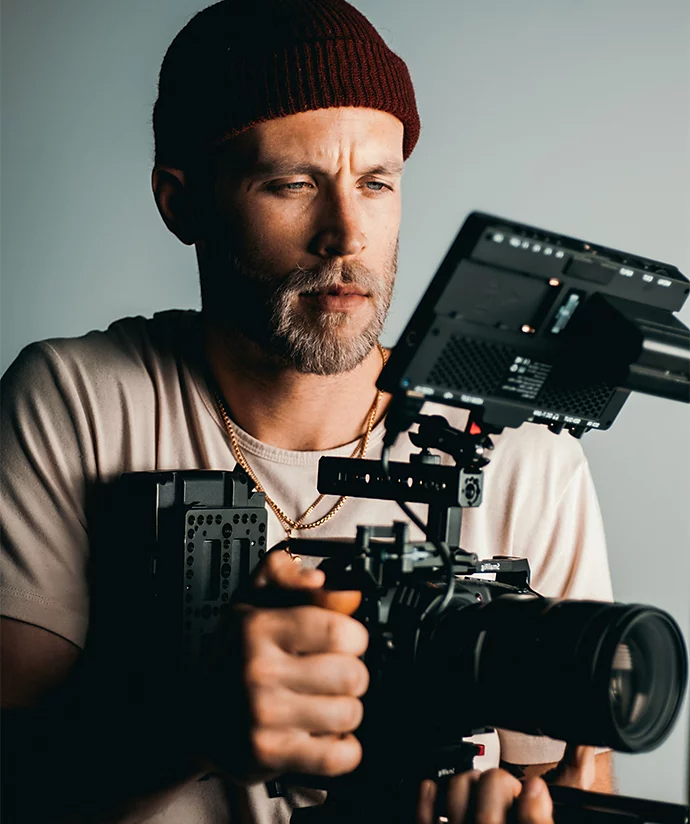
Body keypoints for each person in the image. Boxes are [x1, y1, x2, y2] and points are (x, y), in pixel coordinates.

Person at [0, 0, 615, 821]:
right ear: (182, 204)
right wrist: (193, 725)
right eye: (292, 184)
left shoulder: (516, 452)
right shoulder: (80, 401)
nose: (346, 234)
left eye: (376, 183)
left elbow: (573, 779)